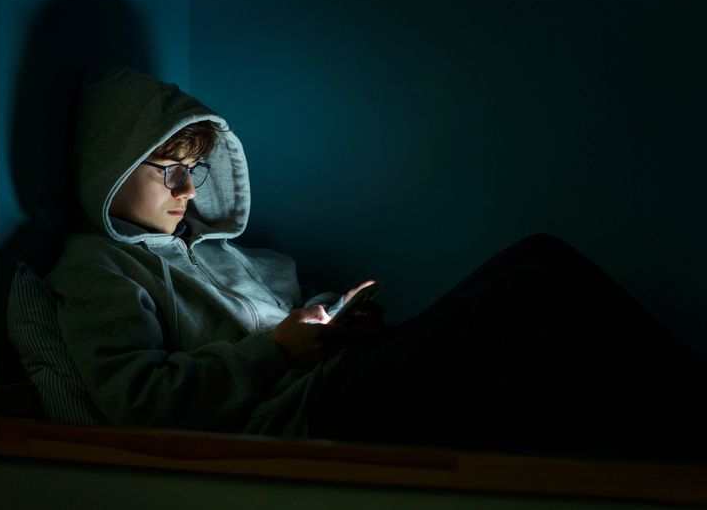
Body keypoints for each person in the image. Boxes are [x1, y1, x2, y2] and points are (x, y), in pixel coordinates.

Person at [44, 67, 706, 461]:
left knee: (539, 254)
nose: (187, 191)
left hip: (336, 373)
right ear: (111, 168)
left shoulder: (220, 251)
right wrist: (280, 349)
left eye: (194, 170)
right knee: (527, 296)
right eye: (169, 171)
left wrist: (334, 325)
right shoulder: (97, 268)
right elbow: (142, 402)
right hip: (303, 416)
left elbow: (289, 325)